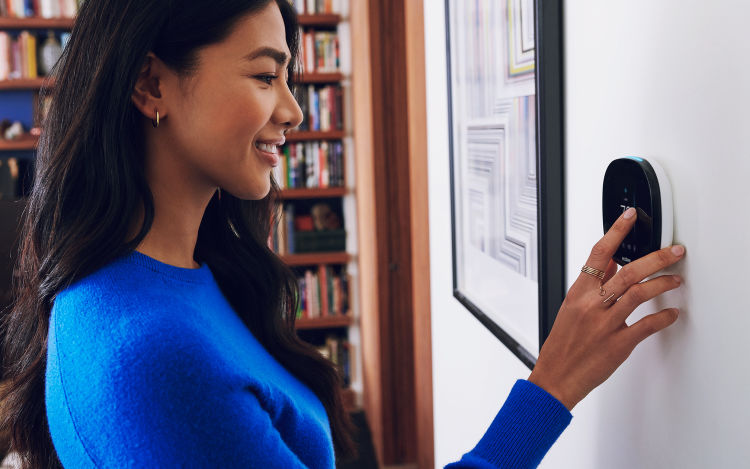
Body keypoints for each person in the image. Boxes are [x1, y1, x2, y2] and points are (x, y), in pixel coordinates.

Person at [0, 0, 685, 468]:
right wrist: (553, 383)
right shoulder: (150, 355)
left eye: (292, 77)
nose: (295, 109)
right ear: (152, 84)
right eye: (266, 74)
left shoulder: (130, 285)